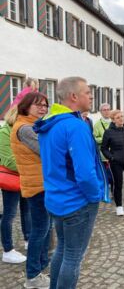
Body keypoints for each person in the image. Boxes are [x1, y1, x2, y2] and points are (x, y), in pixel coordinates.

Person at [34, 77, 106, 289]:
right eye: (87, 92)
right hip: (77, 202)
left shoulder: (49, 123)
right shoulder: (75, 126)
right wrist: (95, 196)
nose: (91, 96)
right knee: (73, 257)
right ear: (74, 96)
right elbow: (85, 173)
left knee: (62, 250)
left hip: (56, 198)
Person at [10, 92, 51, 288]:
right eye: (38, 105)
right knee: (40, 230)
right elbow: (47, 150)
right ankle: (33, 276)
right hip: (37, 186)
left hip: (41, 184)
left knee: (45, 228)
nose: (43, 108)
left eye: (45, 105)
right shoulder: (25, 128)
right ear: (26, 106)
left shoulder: (32, 125)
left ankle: (41, 266)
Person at [0, 107, 31, 264]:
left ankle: (28, 239)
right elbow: (8, 160)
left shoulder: (24, 130)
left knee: (26, 211)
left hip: (25, 178)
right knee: (9, 214)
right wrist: (31, 166)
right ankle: (7, 249)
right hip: (11, 179)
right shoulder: (4, 132)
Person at [93, 103, 114, 197]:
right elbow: (94, 138)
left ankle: (115, 192)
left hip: (115, 153)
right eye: (104, 110)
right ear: (101, 112)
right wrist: (104, 139)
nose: (106, 111)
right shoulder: (97, 124)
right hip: (104, 155)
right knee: (107, 175)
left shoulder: (114, 123)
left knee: (115, 175)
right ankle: (105, 191)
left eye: (108, 109)